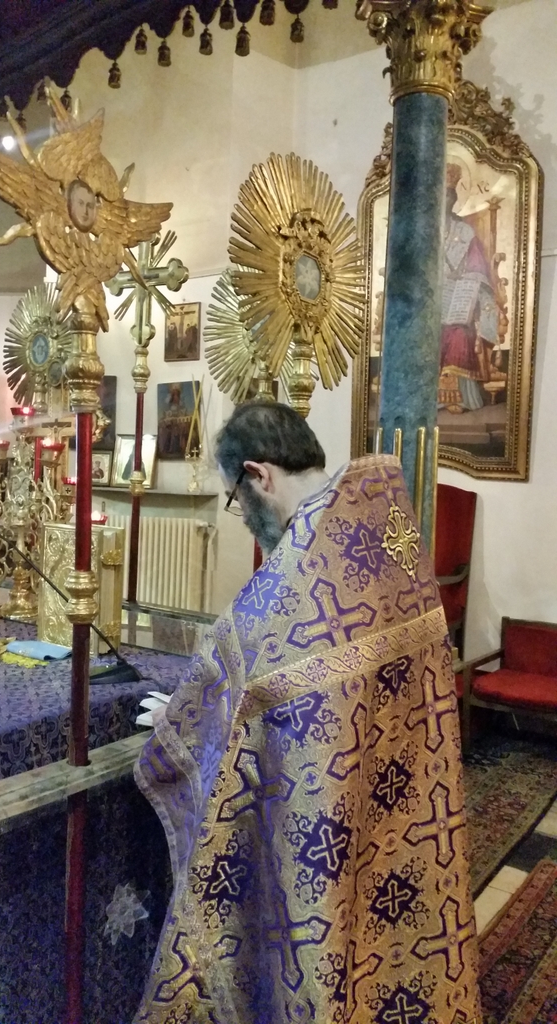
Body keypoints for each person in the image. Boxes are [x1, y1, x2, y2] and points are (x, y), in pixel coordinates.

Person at [134, 402, 480, 1024]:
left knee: (322, 935)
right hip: (403, 783)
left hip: (326, 804)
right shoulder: (385, 520)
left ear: (258, 475)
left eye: (235, 500)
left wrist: (179, 723)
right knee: (386, 936)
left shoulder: (297, 570)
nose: (244, 519)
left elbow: (236, 677)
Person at [439, 163, 499, 413]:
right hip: (429, 301)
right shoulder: (421, 232)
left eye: (449, 195)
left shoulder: (465, 231)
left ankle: (458, 397)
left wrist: (463, 279)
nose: (445, 200)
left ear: (454, 199)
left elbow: (478, 268)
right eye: (440, 195)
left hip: (457, 300)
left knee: (460, 335)